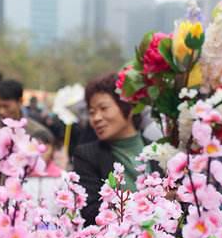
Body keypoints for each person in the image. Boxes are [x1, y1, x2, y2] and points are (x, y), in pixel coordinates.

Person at [73, 73, 147, 225]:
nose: (96, 118)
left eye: (103, 108)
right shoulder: (87, 156)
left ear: (129, 106)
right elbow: (91, 212)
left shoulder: (159, 151)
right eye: (92, 112)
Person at [0, 79, 52, 197]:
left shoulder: (38, 132)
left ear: (20, 101)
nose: (1, 111)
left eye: (6, 106)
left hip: (27, 203)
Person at [22, 130, 66, 214]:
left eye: (46, 148)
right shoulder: (21, 176)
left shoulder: (62, 177)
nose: (40, 152)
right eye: (36, 146)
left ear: (53, 150)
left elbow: (68, 209)